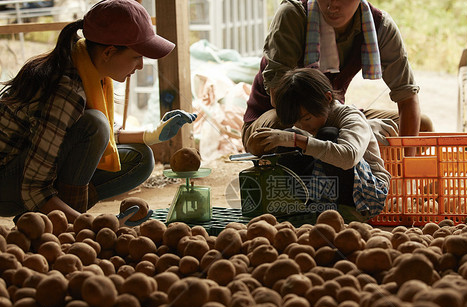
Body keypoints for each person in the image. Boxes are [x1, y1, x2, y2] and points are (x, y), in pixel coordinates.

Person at [0, 0, 196, 223]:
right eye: (136, 56)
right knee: (95, 125)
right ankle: (57, 222)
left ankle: (53, 216)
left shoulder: (87, 66)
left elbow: (94, 136)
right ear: (109, 52)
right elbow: (33, 188)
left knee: (140, 159)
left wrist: (153, 134)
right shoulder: (66, 91)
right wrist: (90, 226)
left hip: (31, 169)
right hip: (8, 181)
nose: (141, 65)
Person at [242, 0, 433, 157]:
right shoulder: (294, 15)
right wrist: (359, 130)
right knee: (279, 130)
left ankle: (406, 192)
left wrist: (408, 165)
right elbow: (278, 99)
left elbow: (407, 98)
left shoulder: (379, 26)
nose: (332, 5)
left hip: (329, 113)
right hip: (283, 115)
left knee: (421, 128)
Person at [251, 67, 391, 220]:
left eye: (306, 119)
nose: (303, 125)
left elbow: (348, 157)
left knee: (327, 135)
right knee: (291, 140)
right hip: (326, 190)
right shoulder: (306, 126)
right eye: (297, 121)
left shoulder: (350, 117)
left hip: (368, 194)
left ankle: (348, 211)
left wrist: (295, 140)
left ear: (328, 98)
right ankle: (305, 206)